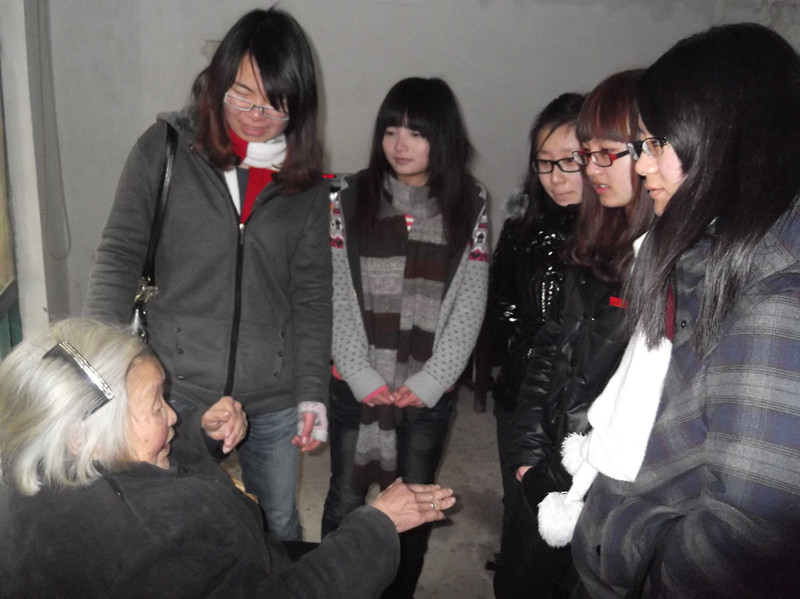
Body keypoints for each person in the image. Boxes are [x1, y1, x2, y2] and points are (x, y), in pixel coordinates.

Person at [567, 23, 800, 597]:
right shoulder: (710, 250)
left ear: (728, 140)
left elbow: (743, 538)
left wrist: (637, 560)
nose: (642, 166)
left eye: (656, 145)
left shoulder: (777, 306)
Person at [83, 8, 331, 541]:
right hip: (176, 388)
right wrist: (99, 373)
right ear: (217, 82)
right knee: (173, 526)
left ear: (300, 103)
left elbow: (312, 294)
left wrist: (312, 390)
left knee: (277, 524)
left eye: (276, 102)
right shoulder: (164, 149)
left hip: (272, 396)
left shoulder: (307, 185)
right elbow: (118, 257)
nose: (256, 115)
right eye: (242, 94)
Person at [0, 318, 457, 598]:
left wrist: (200, 434)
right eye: (156, 406)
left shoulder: (42, 458)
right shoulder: (154, 550)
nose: (173, 415)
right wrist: (377, 525)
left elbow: (128, 464)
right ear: (82, 437)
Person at [322, 77, 489, 597]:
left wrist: (434, 379)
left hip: (425, 393)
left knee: (414, 505)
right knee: (345, 500)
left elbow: (471, 298)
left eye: (416, 133)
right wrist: (360, 372)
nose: (400, 144)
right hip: (355, 388)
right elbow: (336, 291)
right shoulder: (349, 198)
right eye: (391, 130)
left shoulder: (471, 204)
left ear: (442, 138)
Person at [495, 70, 653, 598]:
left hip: (586, 465)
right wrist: (528, 457)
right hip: (537, 424)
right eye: (548, 162)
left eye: (587, 156)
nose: (575, 172)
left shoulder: (654, 255)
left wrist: (551, 473)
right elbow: (547, 344)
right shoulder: (564, 233)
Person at [489, 92, 585, 512]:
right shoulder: (522, 227)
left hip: (585, 407)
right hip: (521, 391)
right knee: (521, 509)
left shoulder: (617, 234)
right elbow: (501, 301)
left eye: (570, 161)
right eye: (545, 162)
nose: (556, 177)